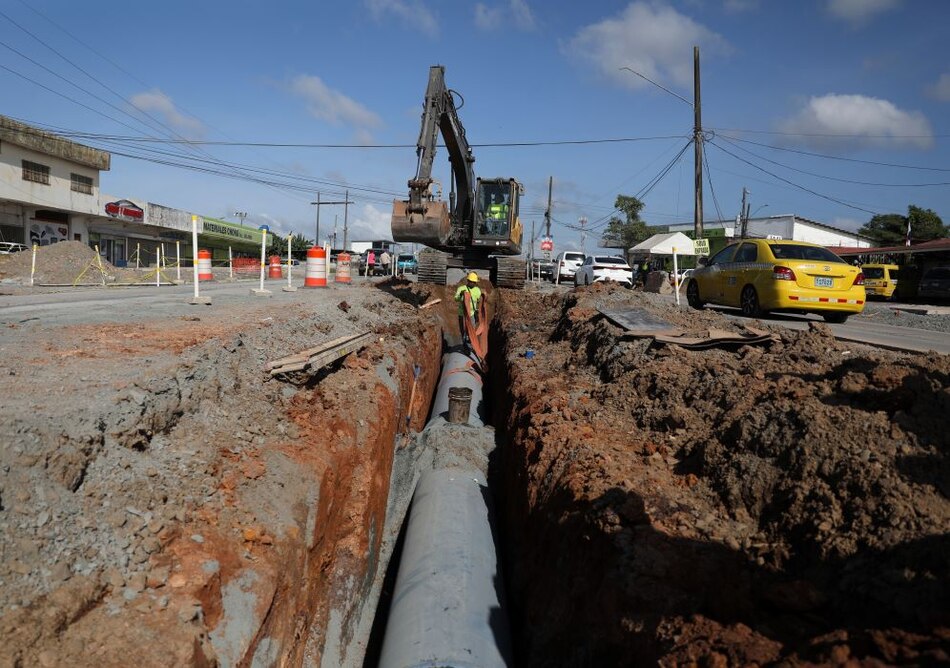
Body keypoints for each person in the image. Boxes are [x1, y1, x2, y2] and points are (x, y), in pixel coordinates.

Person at [454, 272, 482, 348]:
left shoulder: (477, 290)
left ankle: (470, 343)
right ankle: (464, 342)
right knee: (463, 329)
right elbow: (456, 299)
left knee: (471, 329)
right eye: (471, 282)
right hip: (462, 313)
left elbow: (479, 301)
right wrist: (461, 295)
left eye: (474, 282)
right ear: (468, 281)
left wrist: (478, 311)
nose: (472, 283)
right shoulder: (461, 288)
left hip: (472, 313)